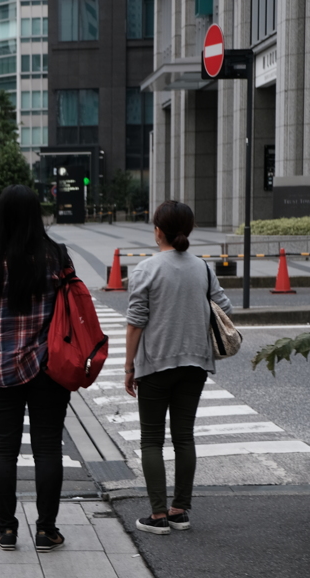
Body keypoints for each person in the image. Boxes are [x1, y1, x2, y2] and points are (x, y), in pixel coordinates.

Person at [0, 184, 72, 554]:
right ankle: (46, 531)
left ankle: (7, 530)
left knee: (3, 449)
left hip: (0, 367)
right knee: (48, 448)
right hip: (49, 368)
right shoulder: (56, 257)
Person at [124, 200, 232, 535]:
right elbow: (223, 306)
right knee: (184, 436)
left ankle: (157, 516)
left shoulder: (145, 269)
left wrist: (129, 365)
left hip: (156, 363)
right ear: (189, 230)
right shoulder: (202, 266)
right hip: (196, 362)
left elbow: (136, 323)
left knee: (152, 439)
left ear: (158, 230)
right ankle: (180, 511)